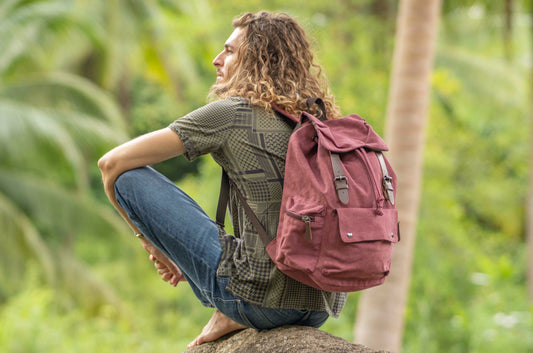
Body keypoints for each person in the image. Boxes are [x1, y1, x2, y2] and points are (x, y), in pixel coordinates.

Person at [98, 11, 347, 349]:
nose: (217, 59)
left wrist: (151, 242)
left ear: (257, 59)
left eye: (229, 51)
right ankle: (232, 310)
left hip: (261, 304)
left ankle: (235, 307)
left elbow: (110, 163)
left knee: (128, 177)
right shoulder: (319, 121)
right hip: (319, 307)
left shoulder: (232, 112)